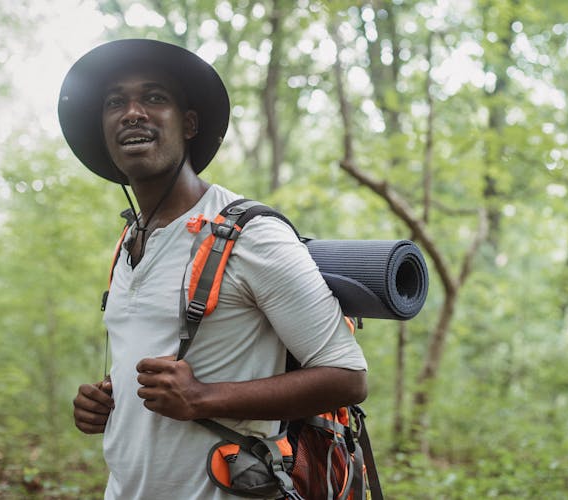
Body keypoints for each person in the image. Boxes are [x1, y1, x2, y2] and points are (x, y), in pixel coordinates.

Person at [58, 39, 368, 500]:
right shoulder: (129, 240)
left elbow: (348, 376)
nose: (133, 112)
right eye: (115, 102)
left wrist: (202, 398)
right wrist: (108, 403)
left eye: (154, 97)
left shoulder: (250, 234)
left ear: (189, 125)